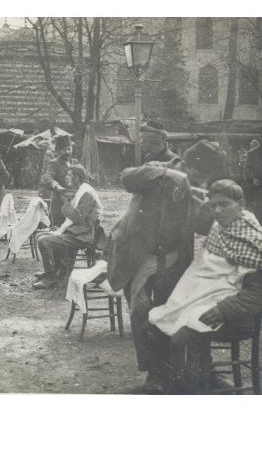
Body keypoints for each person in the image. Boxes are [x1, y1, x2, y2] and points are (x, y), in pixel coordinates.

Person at [105, 139, 226, 392]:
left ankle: (186, 371)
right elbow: (126, 178)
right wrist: (166, 172)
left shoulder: (198, 188)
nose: (200, 180)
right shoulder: (158, 169)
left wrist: (206, 207)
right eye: (197, 174)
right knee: (140, 314)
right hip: (138, 256)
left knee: (169, 312)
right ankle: (154, 375)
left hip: (171, 259)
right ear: (186, 163)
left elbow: (202, 226)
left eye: (205, 177)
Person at [148, 180, 262, 394]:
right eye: (213, 205)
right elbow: (205, 270)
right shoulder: (219, 229)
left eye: (224, 204)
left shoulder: (255, 241)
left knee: (182, 339)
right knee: (157, 326)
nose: (217, 210)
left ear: (241, 204)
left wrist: (222, 310)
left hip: (235, 315)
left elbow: (256, 295)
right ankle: (193, 381)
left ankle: (187, 393)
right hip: (205, 300)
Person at [33, 165, 101, 290]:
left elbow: (78, 219)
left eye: (69, 175)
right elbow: (76, 218)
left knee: (44, 241)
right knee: (40, 235)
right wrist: (60, 229)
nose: (66, 177)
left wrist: (65, 202)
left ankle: (50, 277)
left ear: (77, 178)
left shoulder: (86, 193)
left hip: (82, 236)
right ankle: (56, 271)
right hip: (77, 232)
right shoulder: (80, 190)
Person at [38, 134, 81, 226]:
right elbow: (47, 177)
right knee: (58, 228)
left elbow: (82, 177)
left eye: (69, 149)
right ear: (58, 151)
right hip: (59, 203)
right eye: (63, 150)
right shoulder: (54, 163)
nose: (67, 152)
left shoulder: (76, 162)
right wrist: (56, 185)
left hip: (74, 201)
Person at [244, 134, 262, 223]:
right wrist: (253, 178)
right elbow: (248, 167)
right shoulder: (252, 153)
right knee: (259, 206)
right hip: (258, 184)